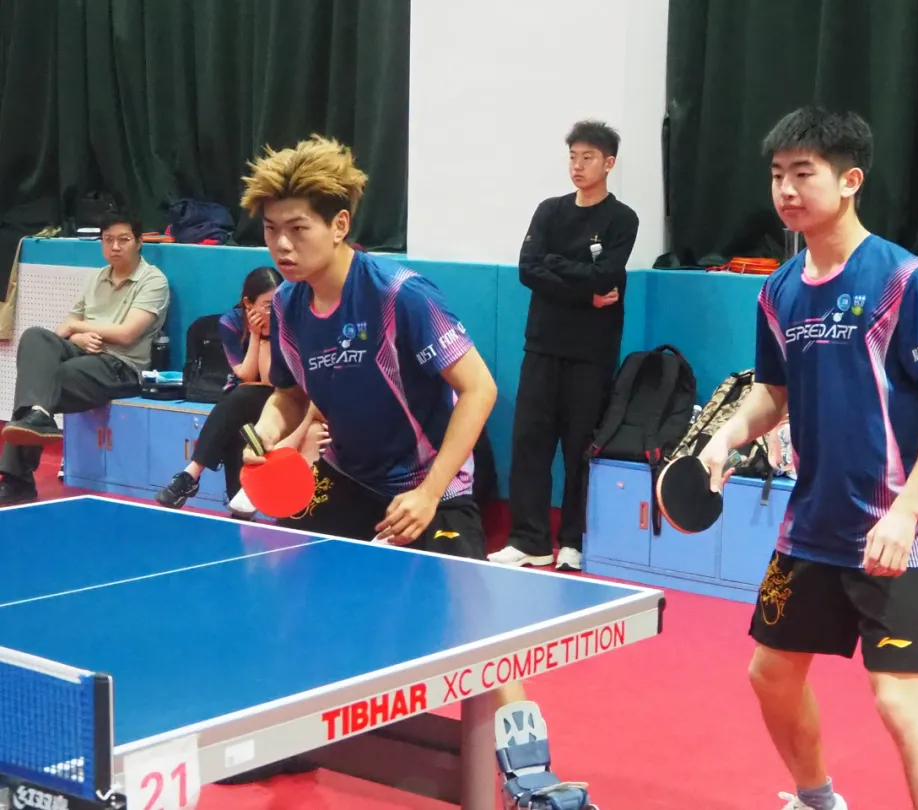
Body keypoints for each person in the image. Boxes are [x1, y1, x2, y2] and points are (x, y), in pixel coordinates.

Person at [699, 107, 918, 810]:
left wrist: (905, 512)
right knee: (770, 674)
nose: (786, 190)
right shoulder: (779, 289)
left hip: (892, 531)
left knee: (901, 702)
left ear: (850, 180)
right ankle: (817, 798)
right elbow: (772, 396)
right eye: (777, 175)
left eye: (804, 173)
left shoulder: (904, 279)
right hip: (811, 528)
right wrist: (726, 437)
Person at [237, 134, 546, 724]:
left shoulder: (399, 295)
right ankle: (289, 731)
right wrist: (265, 432)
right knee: (286, 585)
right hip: (348, 475)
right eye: (272, 230)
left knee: (475, 619)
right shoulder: (287, 306)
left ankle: (524, 754)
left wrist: (430, 493)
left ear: (339, 225)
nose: (282, 245)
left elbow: (479, 389)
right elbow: (289, 392)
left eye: (298, 228)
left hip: (429, 483)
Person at [489, 119, 639, 572]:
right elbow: (528, 269)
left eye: (587, 157)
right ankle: (529, 540)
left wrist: (559, 267)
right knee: (530, 442)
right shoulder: (549, 211)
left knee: (580, 448)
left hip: (592, 352)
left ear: (608, 163)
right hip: (542, 345)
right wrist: (584, 291)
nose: (577, 165)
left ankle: (573, 540)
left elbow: (606, 276)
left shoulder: (622, 219)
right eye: (573, 156)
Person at [0, 209, 170, 506]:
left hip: (121, 365)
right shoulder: (97, 277)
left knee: (46, 379)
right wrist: (77, 337)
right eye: (108, 240)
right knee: (36, 337)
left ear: (139, 242)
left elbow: (127, 334)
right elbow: (63, 328)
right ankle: (38, 417)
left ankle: (18, 478)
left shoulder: (153, 281)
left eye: (123, 239)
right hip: (85, 350)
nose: (115, 246)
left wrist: (79, 328)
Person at [154, 265, 327, 517]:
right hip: (249, 400)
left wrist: (269, 333)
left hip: (277, 399)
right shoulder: (231, 322)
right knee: (238, 419)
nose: (274, 310)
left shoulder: (289, 321)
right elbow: (246, 374)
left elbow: (272, 382)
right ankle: (234, 497)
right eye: (267, 305)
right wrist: (257, 336)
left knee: (241, 401)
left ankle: (193, 474)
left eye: (277, 304)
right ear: (248, 303)